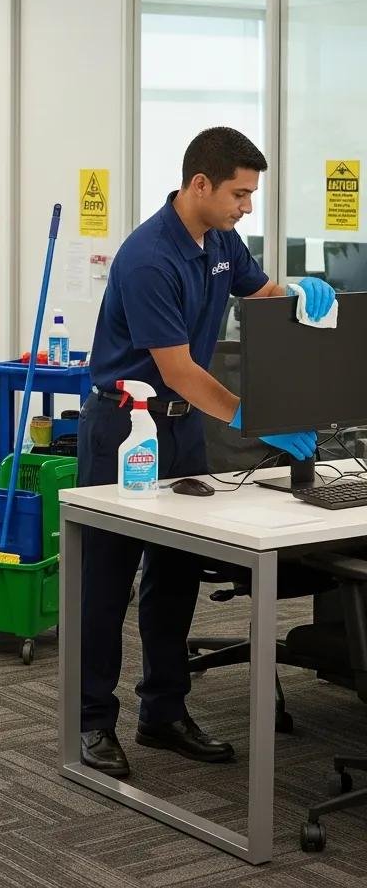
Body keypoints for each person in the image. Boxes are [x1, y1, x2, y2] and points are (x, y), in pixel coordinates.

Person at [79, 126, 335, 779]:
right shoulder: (148, 259)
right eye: (240, 194)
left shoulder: (221, 242)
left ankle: (162, 713)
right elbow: (179, 370)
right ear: (201, 184)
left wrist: (300, 293)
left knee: (175, 572)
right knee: (109, 582)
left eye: (251, 195)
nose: (247, 206)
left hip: (183, 429)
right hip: (125, 425)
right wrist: (257, 420)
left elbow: (261, 291)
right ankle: (91, 723)